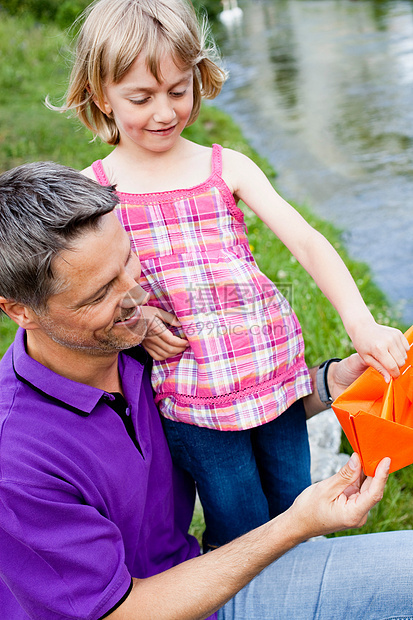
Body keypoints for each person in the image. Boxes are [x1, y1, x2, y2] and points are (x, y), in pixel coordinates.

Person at [54, 0, 410, 550]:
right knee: (238, 515)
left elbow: (309, 244)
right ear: (102, 95)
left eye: (178, 90)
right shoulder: (95, 192)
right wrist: (137, 318)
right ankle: (242, 600)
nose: (164, 112)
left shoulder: (227, 166)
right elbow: (84, 291)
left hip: (270, 367)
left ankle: (311, 587)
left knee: (296, 499)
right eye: (141, 98)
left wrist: (360, 324)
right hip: (190, 389)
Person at [1, 160, 413, 620]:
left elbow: (226, 409)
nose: (137, 295)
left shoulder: (137, 345)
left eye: (128, 260)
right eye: (100, 294)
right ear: (20, 310)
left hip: (207, 574)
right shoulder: (15, 459)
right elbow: (122, 613)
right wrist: (295, 526)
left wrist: (328, 383)